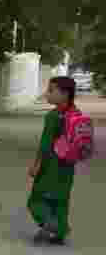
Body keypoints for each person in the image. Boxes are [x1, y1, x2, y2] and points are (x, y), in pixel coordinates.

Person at [27, 76, 80, 245]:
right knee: (61, 199)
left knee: (37, 198)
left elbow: (45, 144)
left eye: (51, 90)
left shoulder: (53, 116)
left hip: (51, 164)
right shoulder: (76, 113)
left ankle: (50, 224)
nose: (47, 94)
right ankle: (60, 233)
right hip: (68, 166)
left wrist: (36, 165)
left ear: (65, 94)